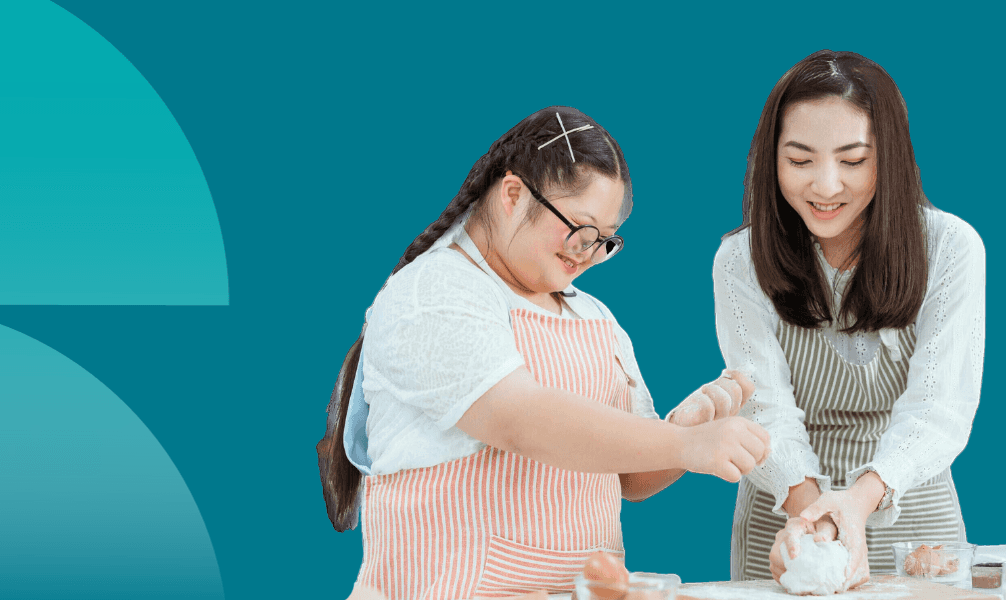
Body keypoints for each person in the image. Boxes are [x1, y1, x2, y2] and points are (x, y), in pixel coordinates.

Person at [314, 106, 771, 600]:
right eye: (579, 228)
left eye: (603, 241)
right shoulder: (433, 292)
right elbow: (517, 417)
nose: (587, 252)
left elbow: (632, 477)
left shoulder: (596, 319)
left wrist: (687, 429)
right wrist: (685, 446)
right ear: (513, 194)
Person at [713, 51, 987, 585]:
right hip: (788, 510)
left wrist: (858, 503)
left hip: (912, 511)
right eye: (799, 161)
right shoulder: (740, 260)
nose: (826, 185)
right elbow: (763, 403)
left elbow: (941, 406)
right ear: (771, 159)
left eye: (853, 160)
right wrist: (813, 517)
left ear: (891, 156)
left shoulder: (951, 247)